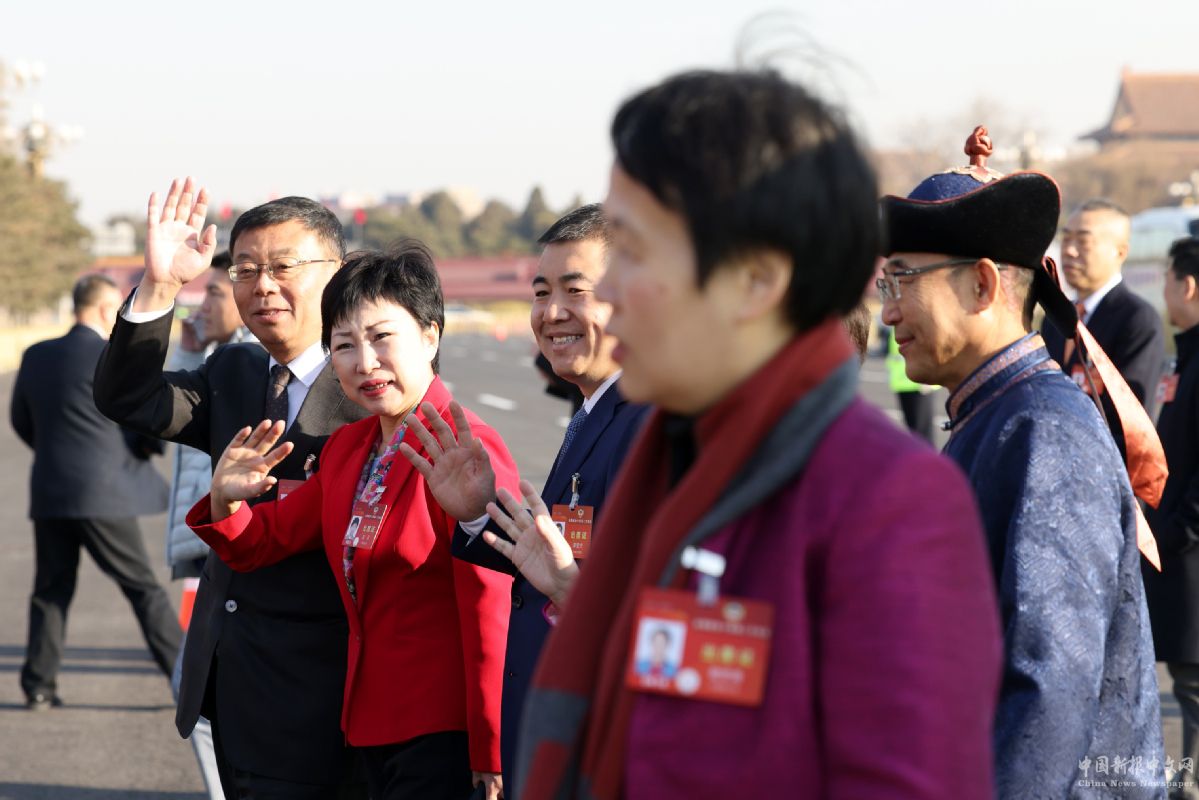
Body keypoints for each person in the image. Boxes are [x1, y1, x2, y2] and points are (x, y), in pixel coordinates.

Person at [481, 70, 1003, 800]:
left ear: (755, 278)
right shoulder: (683, 457)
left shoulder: (888, 501)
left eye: (637, 255)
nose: (610, 294)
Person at [879, 132, 1164, 797]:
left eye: (901, 280)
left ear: (981, 283)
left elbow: (1048, 695)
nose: (887, 311)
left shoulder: (1042, 430)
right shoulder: (995, 413)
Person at [187, 244, 516, 800]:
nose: (364, 362)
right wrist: (227, 500)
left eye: (382, 337)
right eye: (343, 345)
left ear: (430, 337)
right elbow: (263, 541)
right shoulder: (349, 448)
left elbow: (493, 604)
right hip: (364, 728)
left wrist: (491, 746)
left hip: (442, 734)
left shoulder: (465, 449)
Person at [93, 179, 368, 798]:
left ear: (338, 273)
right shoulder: (235, 370)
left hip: (325, 702)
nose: (262, 286)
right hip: (233, 689)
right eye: (246, 270)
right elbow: (127, 398)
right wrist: (160, 286)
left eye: (283, 267)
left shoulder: (372, 389)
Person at [401, 204, 647, 798]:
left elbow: (650, 607)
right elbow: (559, 557)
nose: (551, 313)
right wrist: (479, 511)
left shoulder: (646, 424)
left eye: (575, 290)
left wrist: (571, 591)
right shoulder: (597, 412)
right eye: (541, 292)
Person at [11, 274, 180, 710]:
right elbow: (141, 419)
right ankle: (185, 679)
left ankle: (38, 687)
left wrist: (54, 455)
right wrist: (141, 450)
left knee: (50, 590)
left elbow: (20, 420)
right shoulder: (111, 355)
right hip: (106, 493)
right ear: (107, 309)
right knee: (143, 589)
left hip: (51, 490)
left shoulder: (36, 355)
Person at [163, 251, 255, 800]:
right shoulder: (217, 359)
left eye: (216, 294)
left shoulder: (247, 369)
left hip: (226, 543)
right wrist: (187, 349)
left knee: (197, 697)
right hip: (210, 544)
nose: (203, 307)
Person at [1042, 198, 1166, 444]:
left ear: (1120, 252)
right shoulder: (1055, 318)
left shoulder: (1137, 320)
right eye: (1066, 238)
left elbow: (1131, 424)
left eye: (1083, 241)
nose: (1069, 251)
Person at [1145, 236, 1199, 799]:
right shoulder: (1186, 354)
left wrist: (1180, 529)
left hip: (1189, 553)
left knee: (1193, 683)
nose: (1163, 291)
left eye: (1167, 280)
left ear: (1188, 285)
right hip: (1180, 549)